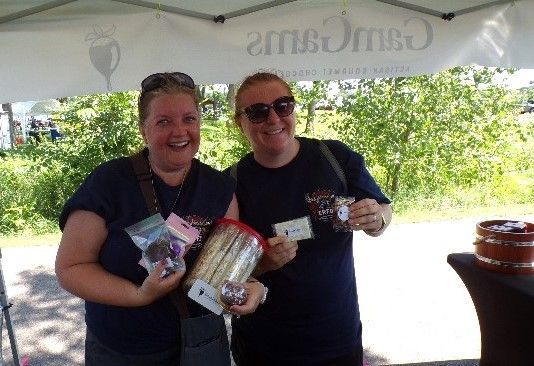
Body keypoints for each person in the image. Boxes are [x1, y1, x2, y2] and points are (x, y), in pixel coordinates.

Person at [55, 72, 266, 365]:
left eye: (189, 119)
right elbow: (71, 267)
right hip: (123, 350)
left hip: (200, 345)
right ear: (144, 129)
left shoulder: (219, 188)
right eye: (164, 121)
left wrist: (254, 288)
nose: (180, 131)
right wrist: (139, 294)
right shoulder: (109, 183)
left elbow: (225, 266)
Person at [229, 72, 393, 366]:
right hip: (264, 346)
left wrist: (376, 219)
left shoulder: (334, 157)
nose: (273, 118)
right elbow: (226, 269)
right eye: (257, 112)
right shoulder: (231, 183)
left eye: (283, 106)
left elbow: (383, 210)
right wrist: (263, 263)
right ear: (240, 123)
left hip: (337, 337)